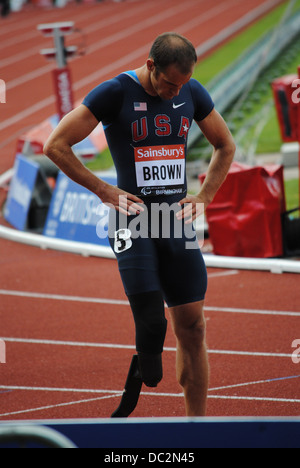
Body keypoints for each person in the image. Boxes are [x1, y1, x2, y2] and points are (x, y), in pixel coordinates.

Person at [44, 33, 236, 417]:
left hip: (173, 221)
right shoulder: (115, 92)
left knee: (193, 327)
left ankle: (197, 429)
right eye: (169, 84)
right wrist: (103, 190)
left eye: (182, 85)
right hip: (130, 222)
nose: (175, 92)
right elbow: (56, 145)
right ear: (151, 66)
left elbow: (224, 145)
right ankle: (137, 386)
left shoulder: (190, 92)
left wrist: (204, 198)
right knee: (152, 325)